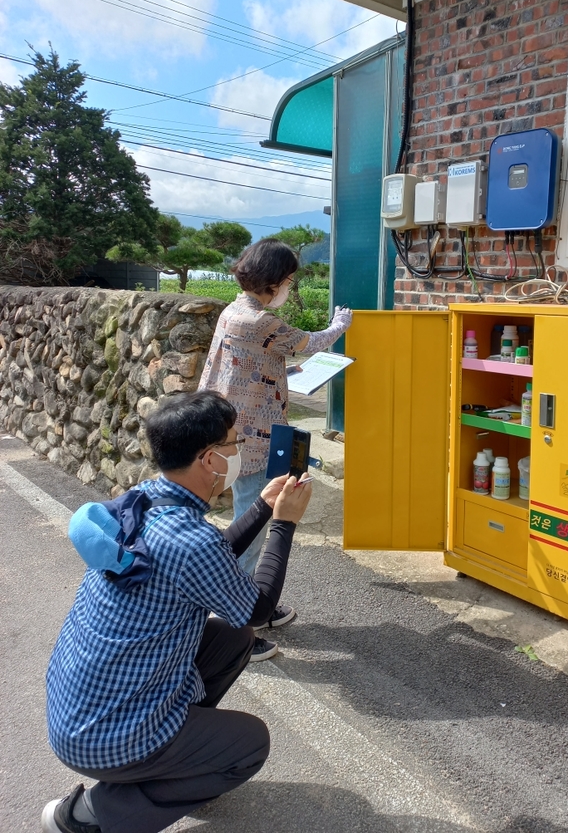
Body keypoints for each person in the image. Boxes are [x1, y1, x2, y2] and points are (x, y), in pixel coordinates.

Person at [43, 390, 312, 833]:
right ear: (210, 460)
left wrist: (263, 506)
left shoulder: (145, 499)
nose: (237, 451)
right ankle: (91, 816)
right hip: (102, 735)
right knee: (250, 743)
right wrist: (285, 522)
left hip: (78, 710)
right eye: (232, 442)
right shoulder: (190, 540)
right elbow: (259, 608)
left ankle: (176, 758)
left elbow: (211, 566)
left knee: (230, 636)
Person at [199, 238, 352, 660]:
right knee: (252, 523)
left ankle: (255, 608)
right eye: (287, 280)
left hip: (238, 427)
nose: (288, 286)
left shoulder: (236, 311)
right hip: (251, 436)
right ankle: (234, 629)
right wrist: (341, 324)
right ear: (274, 280)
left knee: (251, 518)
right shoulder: (259, 322)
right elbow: (310, 341)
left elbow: (260, 361)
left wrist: (292, 370)